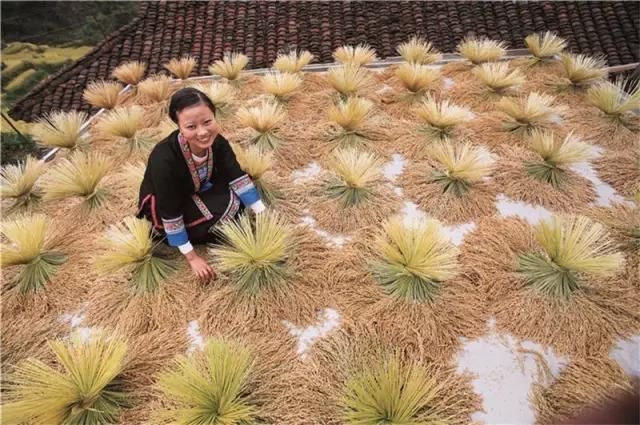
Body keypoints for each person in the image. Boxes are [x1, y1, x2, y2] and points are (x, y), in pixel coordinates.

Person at [137, 87, 265, 280]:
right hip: (167, 203)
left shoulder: (218, 142)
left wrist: (263, 214)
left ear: (214, 115)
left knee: (237, 200)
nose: (203, 132)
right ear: (178, 125)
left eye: (207, 122)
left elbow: (235, 175)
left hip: (199, 188)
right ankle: (184, 239)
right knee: (216, 223)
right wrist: (192, 258)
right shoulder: (164, 159)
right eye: (191, 127)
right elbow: (169, 210)